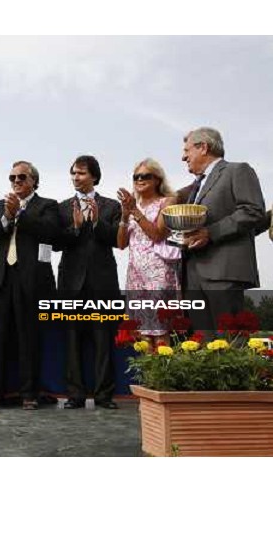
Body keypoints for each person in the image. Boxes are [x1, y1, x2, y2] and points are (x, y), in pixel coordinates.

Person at [0, 161, 59, 411]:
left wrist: (21, 215)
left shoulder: (47, 205)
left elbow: (50, 232)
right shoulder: (1, 206)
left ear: (34, 180)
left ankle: (29, 394)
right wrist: (6, 217)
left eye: (21, 177)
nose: (16, 181)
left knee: (29, 338)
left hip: (32, 281)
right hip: (2, 279)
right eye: (12, 177)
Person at [180, 127, 266, 335]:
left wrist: (210, 233)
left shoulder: (237, 171)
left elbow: (253, 211)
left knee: (230, 345)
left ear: (203, 147)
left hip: (224, 272)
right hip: (193, 275)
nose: (184, 157)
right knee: (202, 347)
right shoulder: (194, 187)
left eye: (187, 150)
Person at [54, 155, 121, 410]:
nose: (75, 177)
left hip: (101, 283)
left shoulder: (112, 206)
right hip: (71, 284)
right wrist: (75, 227)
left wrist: (96, 222)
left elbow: (118, 239)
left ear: (94, 175)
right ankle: (75, 395)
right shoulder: (61, 207)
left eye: (81, 173)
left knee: (103, 341)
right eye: (73, 173)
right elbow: (56, 243)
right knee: (72, 341)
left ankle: (104, 396)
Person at [117, 159, 180, 346]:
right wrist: (124, 215)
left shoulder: (167, 201)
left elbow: (157, 234)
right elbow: (121, 244)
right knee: (142, 334)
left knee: (160, 332)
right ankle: (147, 376)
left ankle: (163, 374)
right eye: (136, 176)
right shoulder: (132, 205)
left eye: (145, 176)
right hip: (136, 274)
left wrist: (135, 210)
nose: (139, 179)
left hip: (159, 272)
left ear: (157, 179)